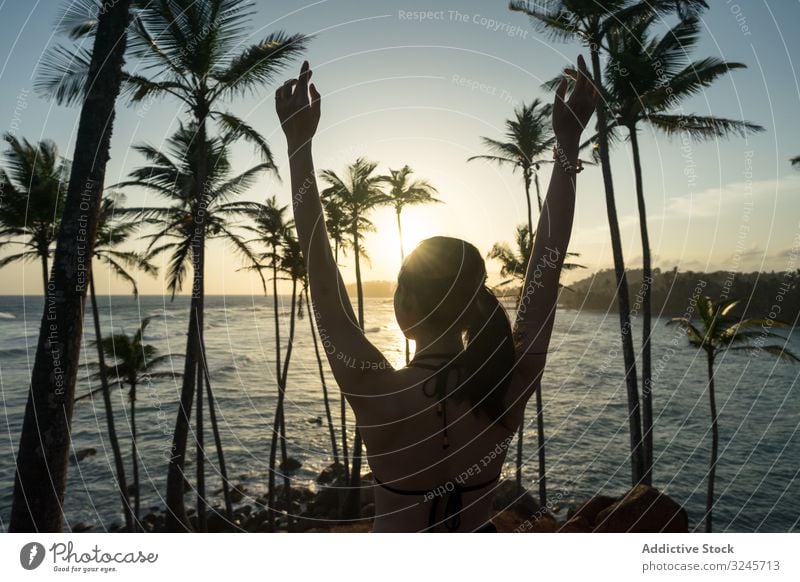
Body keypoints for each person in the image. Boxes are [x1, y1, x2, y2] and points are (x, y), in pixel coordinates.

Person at [275, 56, 598, 532]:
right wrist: (567, 144)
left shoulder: (374, 392)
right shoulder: (505, 390)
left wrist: (298, 146)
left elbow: (322, 280)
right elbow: (546, 267)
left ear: (404, 305)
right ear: (471, 308)